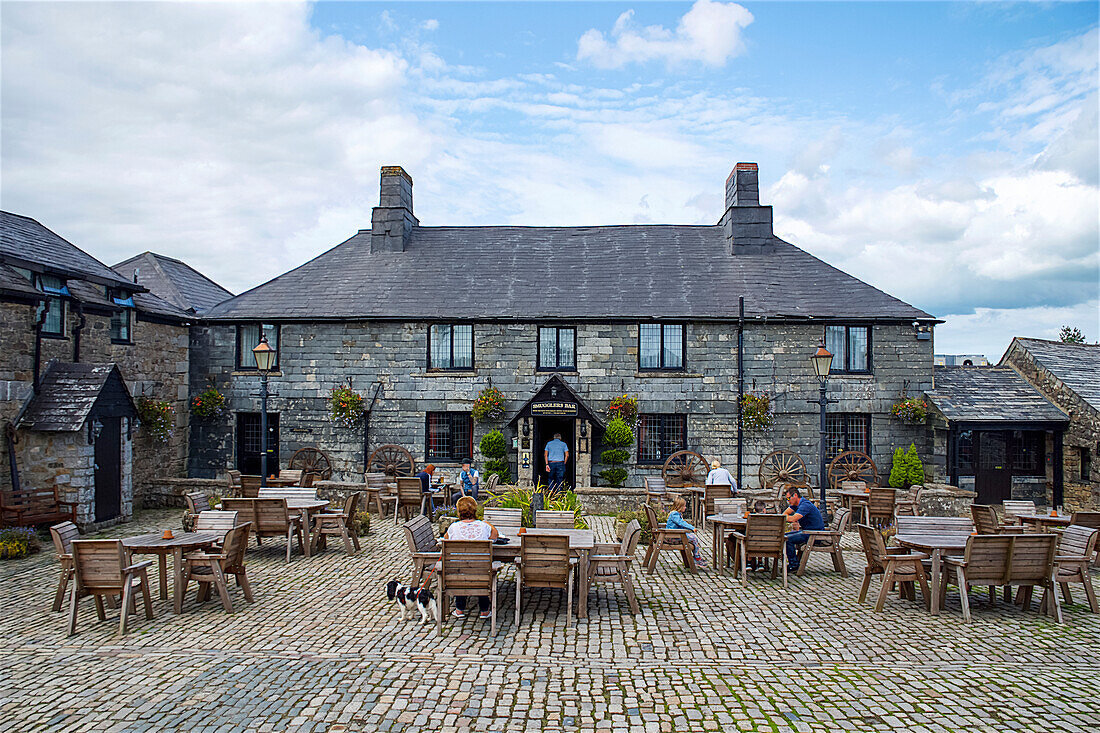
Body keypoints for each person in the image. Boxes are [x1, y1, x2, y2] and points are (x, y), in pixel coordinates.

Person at [443, 496, 500, 620]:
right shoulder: (483, 526)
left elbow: (445, 540)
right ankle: (484, 611)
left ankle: (459, 609)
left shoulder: (454, 527)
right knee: (480, 567)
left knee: (461, 565)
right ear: (475, 510)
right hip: (482, 572)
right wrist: (486, 522)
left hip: (459, 573)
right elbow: (495, 535)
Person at [781, 485, 825, 572]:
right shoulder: (796, 504)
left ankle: (794, 565)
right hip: (807, 532)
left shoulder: (805, 505)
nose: (788, 501)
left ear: (795, 495)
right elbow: (785, 513)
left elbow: (794, 519)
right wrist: (786, 516)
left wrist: (786, 517)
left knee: (787, 539)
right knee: (784, 536)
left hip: (814, 534)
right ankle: (792, 562)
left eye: (789, 498)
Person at [665, 495, 705, 566]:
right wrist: (692, 528)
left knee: (693, 538)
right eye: (684, 506)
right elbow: (682, 523)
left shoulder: (676, 514)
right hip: (673, 536)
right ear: (679, 507)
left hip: (676, 535)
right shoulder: (675, 514)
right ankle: (697, 557)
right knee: (694, 539)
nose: (685, 508)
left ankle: (697, 557)